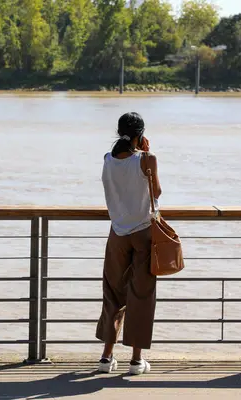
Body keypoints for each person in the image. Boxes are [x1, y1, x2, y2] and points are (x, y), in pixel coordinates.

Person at [95, 112, 162, 376]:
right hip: (143, 232)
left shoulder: (107, 160)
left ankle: (106, 357)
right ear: (141, 135)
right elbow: (155, 193)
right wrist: (147, 154)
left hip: (117, 233)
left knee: (113, 293)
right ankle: (136, 360)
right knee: (141, 295)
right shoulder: (147, 159)